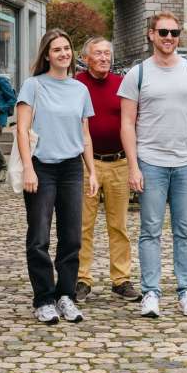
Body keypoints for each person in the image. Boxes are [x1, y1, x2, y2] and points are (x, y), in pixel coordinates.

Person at [119, 11, 187, 320]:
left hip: (186, 162)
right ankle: (151, 292)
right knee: (150, 230)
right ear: (151, 35)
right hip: (151, 162)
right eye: (163, 32)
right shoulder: (138, 74)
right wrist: (133, 166)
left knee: (185, 231)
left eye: (174, 33)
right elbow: (127, 123)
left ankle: (186, 291)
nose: (170, 38)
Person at [15, 28, 98, 325]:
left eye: (67, 48)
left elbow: (85, 135)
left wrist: (92, 171)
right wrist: (28, 167)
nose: (63, 53)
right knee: (38, 236)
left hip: (72, 168)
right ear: (47, 55)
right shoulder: (33, 86)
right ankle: (43, 298)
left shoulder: (80, 89)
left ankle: (66, 295)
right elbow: (22, 129)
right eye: (57, 49)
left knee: (72, 236)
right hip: (42, 167)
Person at [75, 38, 139, 303]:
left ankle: (121, 279)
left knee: (119, 224)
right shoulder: (77, 84)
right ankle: (81, 278)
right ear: (86, 58)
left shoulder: (121, 84)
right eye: (98, 54)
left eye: (107, 54)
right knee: (83, 225)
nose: (103, 58)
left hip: (119, 163)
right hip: (85, 163)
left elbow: (135, 121)